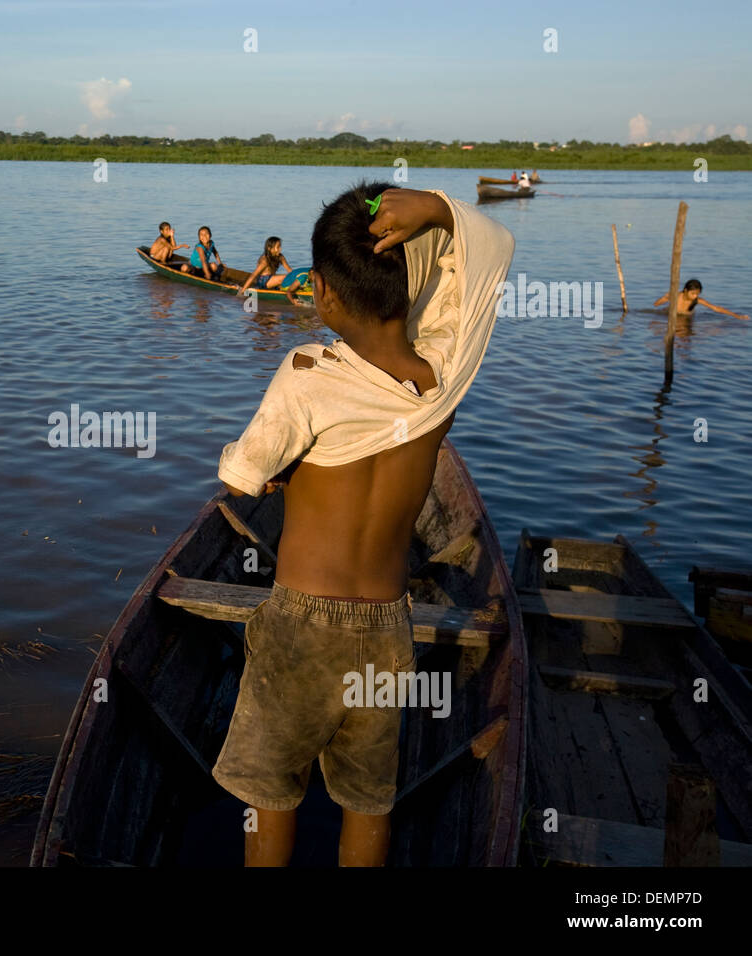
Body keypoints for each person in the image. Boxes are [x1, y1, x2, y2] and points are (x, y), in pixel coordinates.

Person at [212, 183, 514, 867]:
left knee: (271, 793)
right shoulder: (443, 380)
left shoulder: (304, 373)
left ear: (320, 292)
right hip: (386, 627)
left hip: (301, 626)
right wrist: (437, 209)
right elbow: (491, 252)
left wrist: (273, 467)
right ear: (416, 285)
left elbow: (242, 478)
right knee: (367, 798)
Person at [652, 279, 748, 319]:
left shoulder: (697, 300)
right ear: (685, 290)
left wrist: (737, 316)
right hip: (670, 316)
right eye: (693, 293)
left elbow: (716, 308)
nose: (695, 296)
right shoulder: (675, 296)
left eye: (697, 294)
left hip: (686, 318)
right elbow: (656, 305)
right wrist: (665, 297)